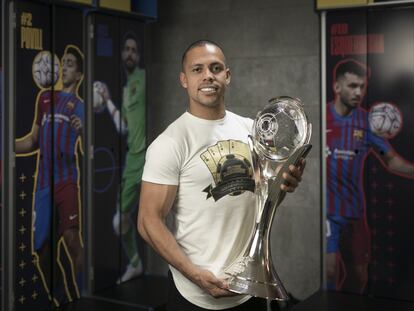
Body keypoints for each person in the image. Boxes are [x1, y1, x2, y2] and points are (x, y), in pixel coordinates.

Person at [138, 40, 306, 310]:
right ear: (184, 79)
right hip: (193, 293)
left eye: (215, 68)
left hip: (249, 287)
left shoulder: (252, 130)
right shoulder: (170, 142)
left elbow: (264, 202)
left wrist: (283, 185)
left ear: (227, 76)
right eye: (197, 69)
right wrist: (195, 276)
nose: (208, 76)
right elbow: (148, 221)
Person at [326, 59, 414, 293]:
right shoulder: (321, 117)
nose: (359, 92)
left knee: (359, 275)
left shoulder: (366, 121)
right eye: (353, 86)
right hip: (327, 214)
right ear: (337, 87)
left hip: (355, 211)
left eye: (362, 87)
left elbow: (391, 160)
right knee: (330, 271)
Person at [15, 45, 84, 305]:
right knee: (42, 250)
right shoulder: (44, 98)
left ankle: (80, 294)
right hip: (43, 184)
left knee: (71, 240)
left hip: (66, 181)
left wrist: (83, 129)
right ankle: (60, 295)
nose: (64, 67)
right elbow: (32, 141)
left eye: (70, 64)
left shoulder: (79, 106)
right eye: (63, 62)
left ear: (78, 75)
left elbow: (89, 145)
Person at [95, 31, 146, 283]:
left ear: (139, 55)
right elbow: (123, 127)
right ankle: (135, 263)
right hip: (133, 162)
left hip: (153, 159)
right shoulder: (127, 90)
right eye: (126, 49)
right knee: (119, 221)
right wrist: (108, 102)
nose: (129, 53)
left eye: (133, 50)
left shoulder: (145, 79)